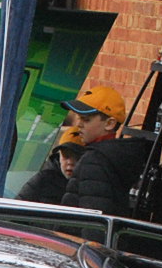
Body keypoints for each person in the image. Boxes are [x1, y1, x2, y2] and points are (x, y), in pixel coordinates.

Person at [59, 84, 145, 216]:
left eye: (86, 119)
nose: (78, 124)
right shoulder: (115, 157)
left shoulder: (94, 160)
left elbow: (93, 218)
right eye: (78, 117)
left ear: (110, 123)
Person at [17, 126, 84, 204]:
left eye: (77, 157)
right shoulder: (43, 179)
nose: (70, 162)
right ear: (59, 155)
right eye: (65, 155)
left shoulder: (90, 183)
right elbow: (17, 206)